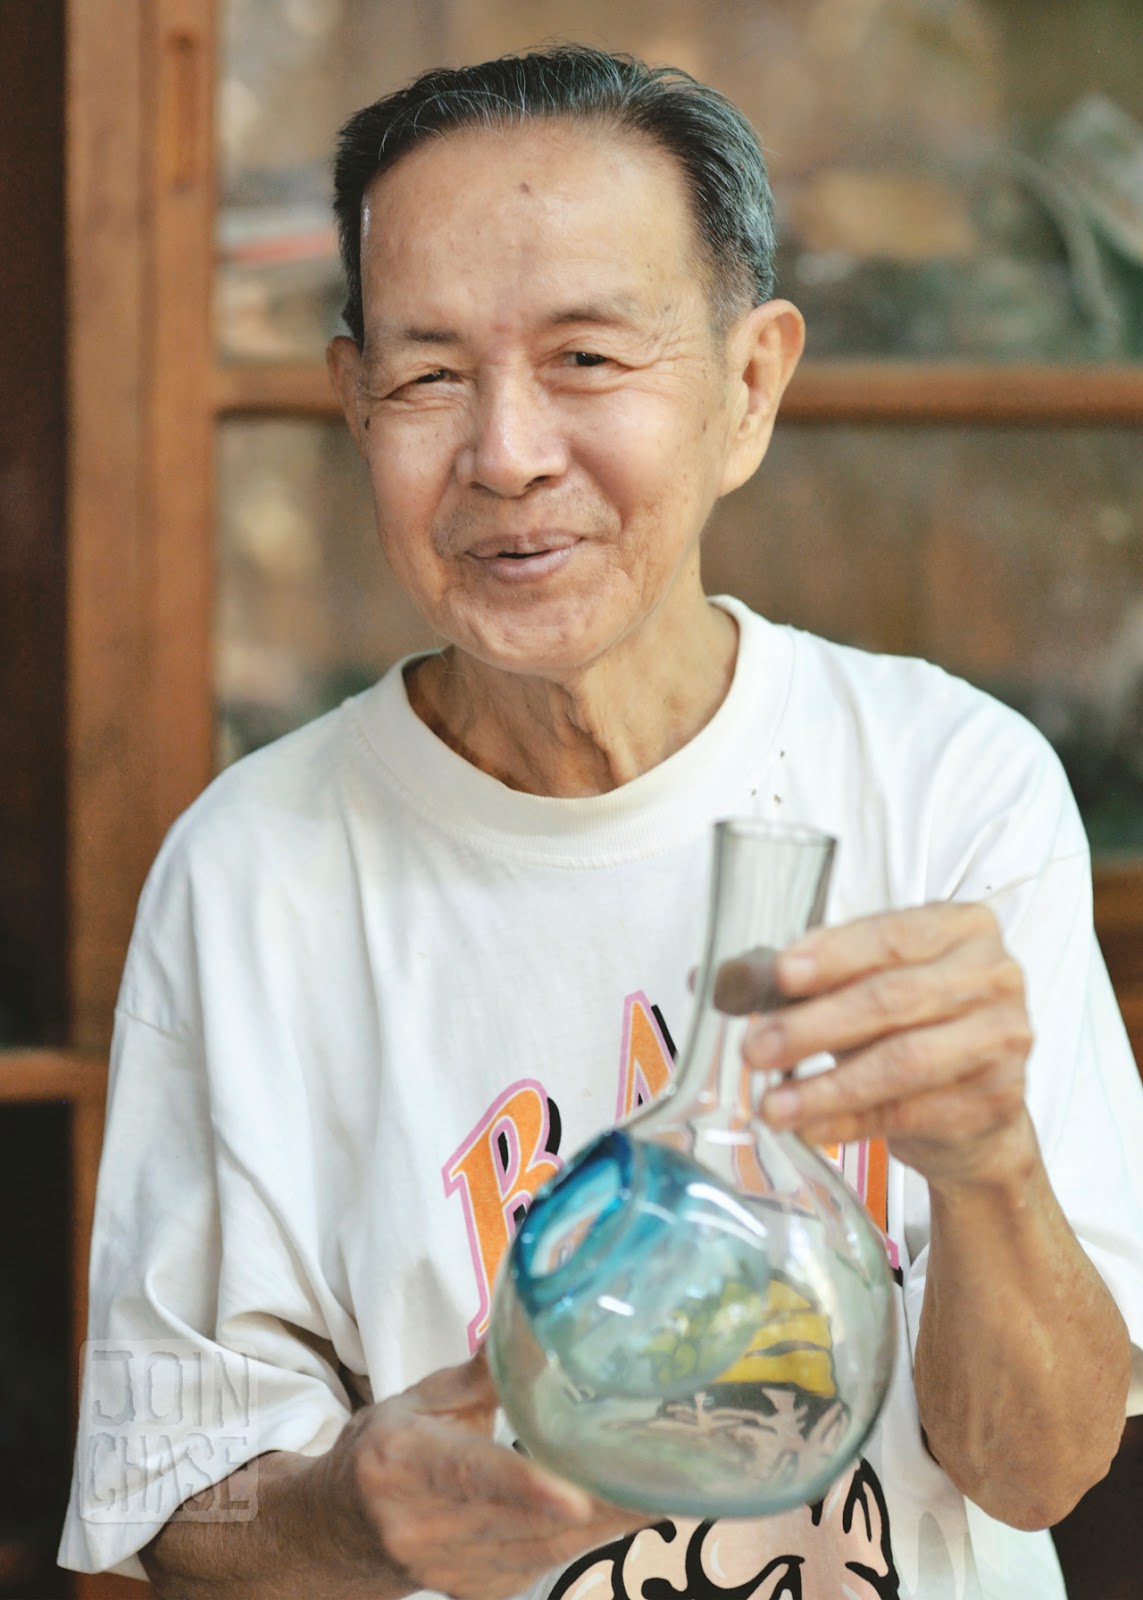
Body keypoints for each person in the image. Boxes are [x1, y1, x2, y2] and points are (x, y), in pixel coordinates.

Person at [60, 45, 1143, 1600]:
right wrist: (356, 1510)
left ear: (750, 386)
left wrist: (987, 1169)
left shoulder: (950, 786)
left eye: (586, 359)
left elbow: (1041, 1467)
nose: (506, 454)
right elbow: (176, 1511)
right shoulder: (249, 875)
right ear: (353, 404)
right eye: (431, 374)